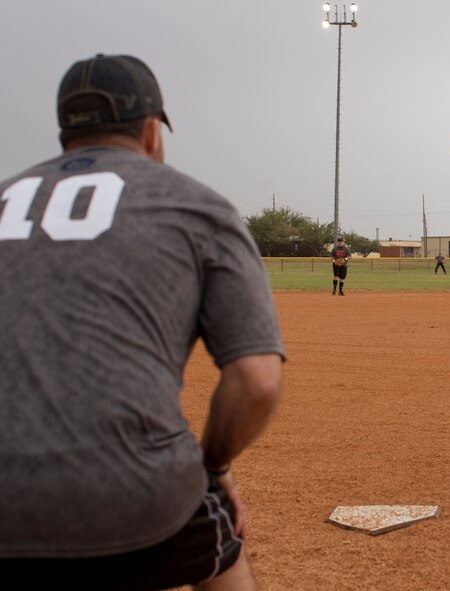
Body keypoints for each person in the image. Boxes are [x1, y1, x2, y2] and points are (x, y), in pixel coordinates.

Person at [0, 54, 286, 590]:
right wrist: (215, 469)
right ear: (153, 131)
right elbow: (257, 379)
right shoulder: (196, 206)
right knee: (221, 559)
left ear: (66, 135)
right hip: (131, 494)